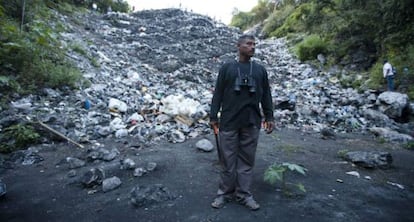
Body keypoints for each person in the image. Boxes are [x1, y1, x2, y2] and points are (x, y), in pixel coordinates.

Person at [209, 34, 275, 211]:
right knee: (227, 161)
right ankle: (224, 193)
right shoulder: (227, 68)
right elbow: (218, 94)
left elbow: (266, 95)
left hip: (252, 122)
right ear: (238, 46)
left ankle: (243, 194)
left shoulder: (260, 70)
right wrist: (213, 116)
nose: (252, 47)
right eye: (248, 44)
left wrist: (269, 116)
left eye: (254, 44)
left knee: (246, 161)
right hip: (229, 122)